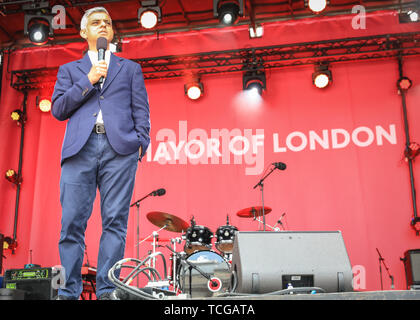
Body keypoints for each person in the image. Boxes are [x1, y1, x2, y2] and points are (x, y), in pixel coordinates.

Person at [51, 6, 150, 300]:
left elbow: (141, 111)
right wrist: (89, 79)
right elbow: (58, 109)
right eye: (95, 23)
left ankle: (108, 291)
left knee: (115, 223)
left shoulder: (130, 68)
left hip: (119, 150)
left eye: (107, 22)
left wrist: (139, 144)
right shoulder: (69, 71)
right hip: (79, 151)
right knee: (71, 223)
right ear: (84, 33)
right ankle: (69, 292)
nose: (103, 26)